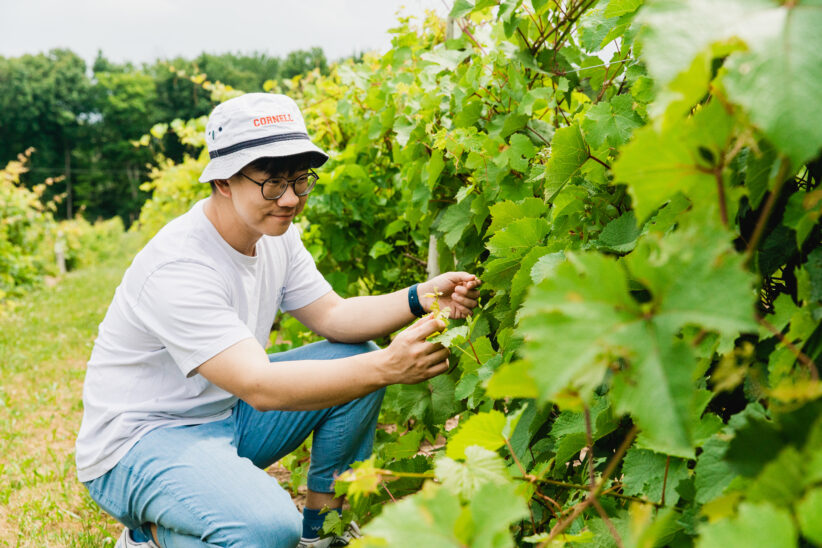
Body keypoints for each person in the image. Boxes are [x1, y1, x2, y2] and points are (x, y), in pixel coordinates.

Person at [75, 92, 481, 548]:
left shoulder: (276, 236)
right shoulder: (181, 265)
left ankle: (322, 533)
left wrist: (421, 297)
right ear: (224, 181)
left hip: (224, 414)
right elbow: (259, 386)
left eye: (300, 180)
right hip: (140, 442)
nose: (290, 199)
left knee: (353, 356)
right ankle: (149, 536)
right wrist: (388, 367)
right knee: (267, 531)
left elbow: (334, 315)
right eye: (272, 183)